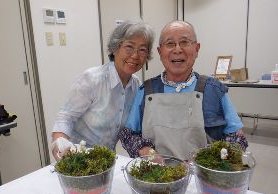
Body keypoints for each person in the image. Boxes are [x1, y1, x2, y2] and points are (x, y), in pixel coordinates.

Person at [119, 20, 248, 160]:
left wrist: (210, 160)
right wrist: (147, 153)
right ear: (159, 51)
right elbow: (128, 135)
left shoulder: (214, 90)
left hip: (202, 177)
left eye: (185, 42)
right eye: (169, 44)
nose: (177, 49)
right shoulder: (147, 90)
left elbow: (237, 138)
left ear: (197, 49)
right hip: (157, 176)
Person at [51, 20, 155, 161]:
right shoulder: (91, 79)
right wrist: (61, 143)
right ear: (115, 48)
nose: (135, 55)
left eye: (142, 50)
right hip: (75, 159)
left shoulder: (137, 87)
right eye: (129, 47)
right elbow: (66, 117)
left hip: (106, 162)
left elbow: (133, 130)